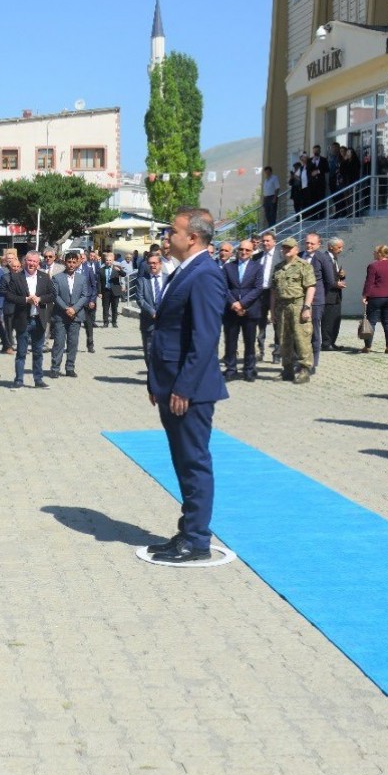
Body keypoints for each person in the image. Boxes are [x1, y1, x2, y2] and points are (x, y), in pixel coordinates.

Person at [144, 207, 228, 564]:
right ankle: (187, 530)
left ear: (192, 237)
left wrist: (183, 387)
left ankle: (197, 539)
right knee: (182, 461)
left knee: (194, 462)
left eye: (172, 232)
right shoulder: (185, 270)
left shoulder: (205, 273)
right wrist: (156, 380)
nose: (167, 238)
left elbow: (205, 337)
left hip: (188, 389)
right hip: (171, 383)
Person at [4, 250, 53, 388]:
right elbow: (9, 296)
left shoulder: (44, 277)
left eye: (34, 261)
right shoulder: (16, 277)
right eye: (29, 260)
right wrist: (26, 300)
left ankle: (38, 379)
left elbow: (52, 295)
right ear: (25, 261)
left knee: (38, 352)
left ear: (38, 263)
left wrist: (40, 299)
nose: (31, 263)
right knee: (21, 352)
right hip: (23, 319)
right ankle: (19, 379)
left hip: (39, 319)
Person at [273, 237, 317, 382]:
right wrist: (272, 311)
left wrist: (306, 307)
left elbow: (310, 287)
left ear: (296, 250)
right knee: (283, 338)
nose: (286, 250)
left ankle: (305, 370)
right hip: (282, 307)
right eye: (284, 247)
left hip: (298, 305)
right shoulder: (278, 267)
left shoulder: (304, 266)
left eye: (289, 248)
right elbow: (274, 292)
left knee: (301, 338)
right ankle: (287, 369)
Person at [222, 240, 264, 382]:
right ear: (237, 250)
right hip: (231, 310)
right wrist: (234, 303)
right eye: (241, 249)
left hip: (250, 310)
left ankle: (249, 370)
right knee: (230, 342)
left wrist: (242, 304)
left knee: (249, 341)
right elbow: (224, 287)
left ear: (252, 252)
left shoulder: (258, 267)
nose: (244, 252)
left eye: (247, 250)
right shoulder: (228, 267)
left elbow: (258, 288)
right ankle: (231, 369)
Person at [50, 250, 90, 378]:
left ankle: (70, 367)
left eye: (74, 262)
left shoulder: (82, 278)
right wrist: (67, 308)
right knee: (59, 343)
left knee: (73, 343)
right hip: (61, 315)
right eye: (69, 262)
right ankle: (55, 368)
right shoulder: (57, 277)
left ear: (78, 263)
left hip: (76, 315)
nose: (71, 265)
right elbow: (55, 296)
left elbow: (85, 295)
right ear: (65, 262)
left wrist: (75, 308)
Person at [303, 232, 334, 370]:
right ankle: (302, 358)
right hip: (301, 301)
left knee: (314, 331)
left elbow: (330, 281)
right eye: (307, 242)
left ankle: (314, 361)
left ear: (318, 244)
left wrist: (320, 296)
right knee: (302, 331)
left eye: (312, 243)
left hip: (316, 301)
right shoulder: (300, 256)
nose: (309, 245)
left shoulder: (322, 258)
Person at [361, 244, 388, 353]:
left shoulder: (373, 266)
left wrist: (365, 295)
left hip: (376, 297)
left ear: (379, 254)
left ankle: (367, 346)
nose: (373, 253)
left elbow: (369, 283)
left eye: (374, 252)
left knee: (371, 322)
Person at [136, 252, 165, 372]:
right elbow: (140, 299)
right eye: (150, 263)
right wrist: (152, 311)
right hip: (148, 321)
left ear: (160, 264)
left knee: (165, 351)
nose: (152, 265)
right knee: (148, 352)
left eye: (155, 263)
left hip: (166, 322)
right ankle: (152, 374)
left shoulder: (169, 278)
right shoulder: (142, 280)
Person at [253, 231, 279, 360]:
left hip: (275, 293)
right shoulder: (257, 257)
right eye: (263, 241)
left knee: (276, 323)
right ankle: (260, 351)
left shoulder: (280, 256)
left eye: (268, 240)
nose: (265, 243)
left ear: (274, 241)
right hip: (261, 294)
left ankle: (277, 353)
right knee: (261, 323)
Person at [322, 237, 347, 350]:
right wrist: (336, 284)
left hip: (336, 295)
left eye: (342, 247)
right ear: (331, 247)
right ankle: (326, 343)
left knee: (336, 319)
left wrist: (341, 275)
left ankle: (332, 342)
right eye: (339, 247)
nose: (341, 249)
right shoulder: (325, 258)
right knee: (328, 320)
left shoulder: (334, 258)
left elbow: (333, 275)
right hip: (328, 295)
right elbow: (325, 278)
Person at [99, 250, 126, 328]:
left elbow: (124, 275)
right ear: (105, 261)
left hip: (115, 291)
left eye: (110, 260)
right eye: (107, 260)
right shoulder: (101, 270)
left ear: (113, 261)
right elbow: (99, 282)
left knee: (114, 307)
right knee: (105, 308)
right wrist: (99, 292)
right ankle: (105, 322)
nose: (108, 262)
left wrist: (120, 270)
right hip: (106, 291)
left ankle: (114, 322)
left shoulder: (116, 268)